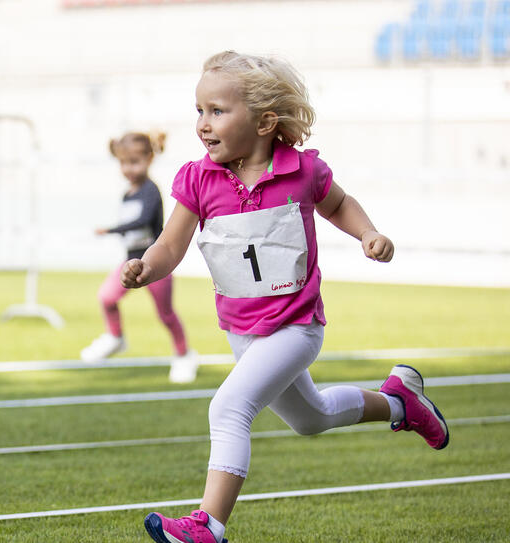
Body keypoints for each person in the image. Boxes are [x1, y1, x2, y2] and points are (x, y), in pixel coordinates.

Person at [122, 51, 449, 543]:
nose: (202, 125)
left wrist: (368, 234)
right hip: (242, 330)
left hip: (296, 328)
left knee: (228, 407)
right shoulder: (197, 178)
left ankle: (207, 525)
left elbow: (339, 204)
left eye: (216, 111)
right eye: (198, 111)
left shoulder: (303, 172)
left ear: (264, 122)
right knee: (311, 417)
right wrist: (148, 267)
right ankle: (400, 403)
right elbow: (171, 245)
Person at [81, 131, 199, 383]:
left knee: (165, 314)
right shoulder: (128, 194)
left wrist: (111, 229)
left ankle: (184, 355)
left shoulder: (150, 191)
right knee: (107, 297)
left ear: (149, 159)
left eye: (134, 162)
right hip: (129, 263)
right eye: (123, 163)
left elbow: (143, 220)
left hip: (154, 265)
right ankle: (115, 337)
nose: (128, 169)